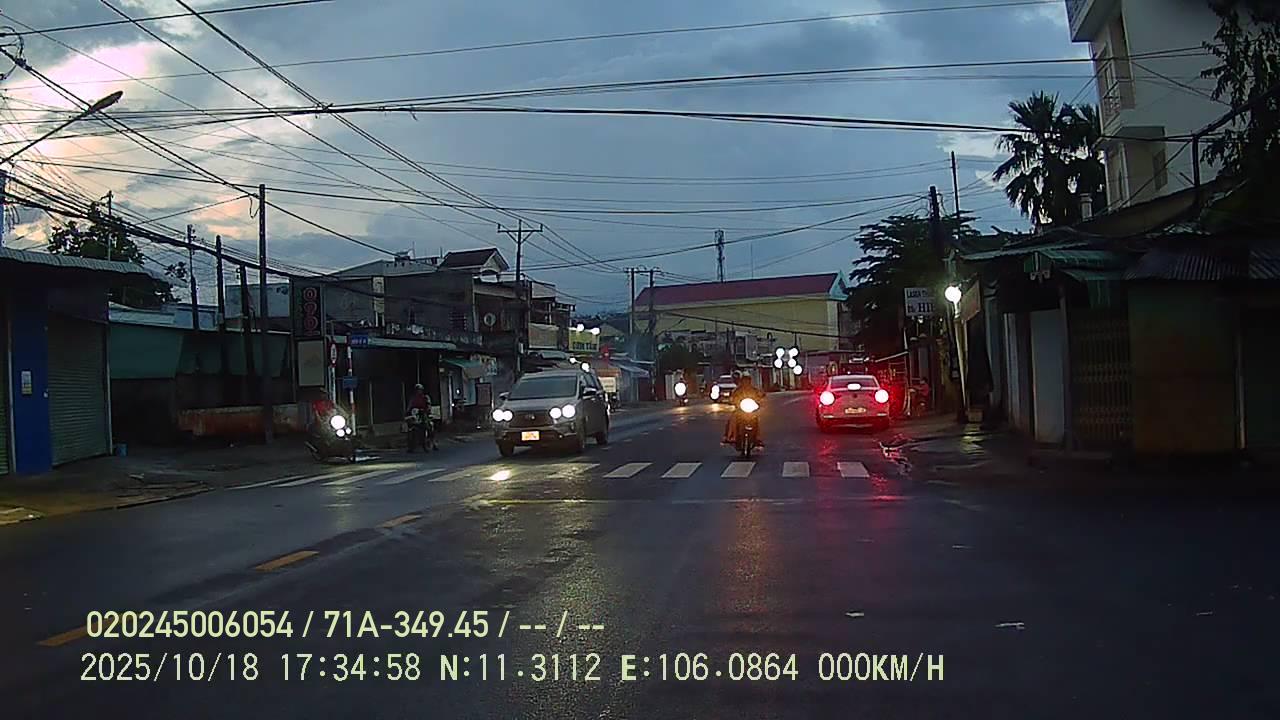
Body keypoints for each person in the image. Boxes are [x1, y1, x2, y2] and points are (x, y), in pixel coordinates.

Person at [722, 373, 765, 446]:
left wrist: (760, 400)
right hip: (740, 410)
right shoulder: (737, 390)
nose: (746, 382)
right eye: (744, 380)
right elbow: (732, 398)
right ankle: (731, 436)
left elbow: (760, 396)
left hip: (751, 410)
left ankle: (758, 438)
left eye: (747, 380)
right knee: (733, 418)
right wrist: (731, 401)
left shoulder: (754, 390)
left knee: (756, 419)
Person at [406, 383, 437, 452]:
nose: (418, 391)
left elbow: (429, 406)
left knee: (429, 426)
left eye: (420, 390)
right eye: (417, 390)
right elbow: (409, 406)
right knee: (411, 428)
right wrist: (408, 412)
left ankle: (433, 443)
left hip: (423, 414)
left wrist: (426, 410)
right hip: (415, 415)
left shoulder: (425, 397)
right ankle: (411, 446)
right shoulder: (413, 398)